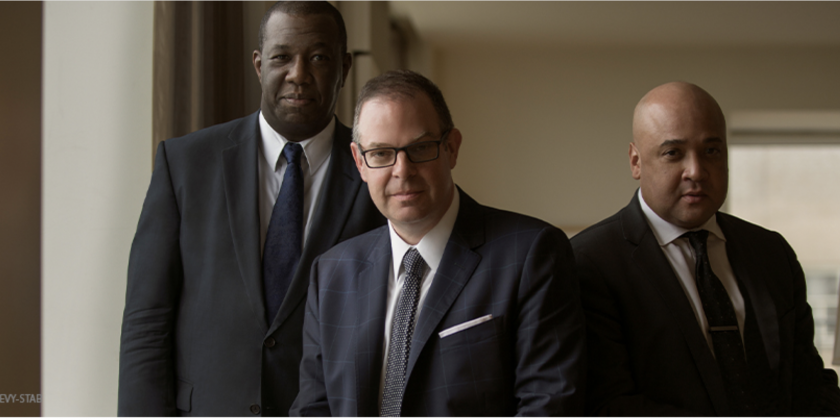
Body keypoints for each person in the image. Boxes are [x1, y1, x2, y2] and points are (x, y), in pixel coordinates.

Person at [118, 2, 384, 416]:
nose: (298, 73)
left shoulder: (378, 173)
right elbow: (147, 320)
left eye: (318, 57)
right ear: (259, 65)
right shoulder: (185, 163)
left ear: (344, 68)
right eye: (282, 57)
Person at [289, 70, 586, 417]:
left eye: (420, 148)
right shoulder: (330, 273)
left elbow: (549, 405)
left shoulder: (532, 254)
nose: (402, 170)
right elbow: (313, 409)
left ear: (451, 147)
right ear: (359, 162)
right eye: (381, 153)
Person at [572, 81, 840, 416]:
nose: (696, 171)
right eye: (673, 153)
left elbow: (808, 382)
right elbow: (609, 405)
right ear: (636, 161)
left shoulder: (771, 252)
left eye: (711, 151)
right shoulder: (590, 262)